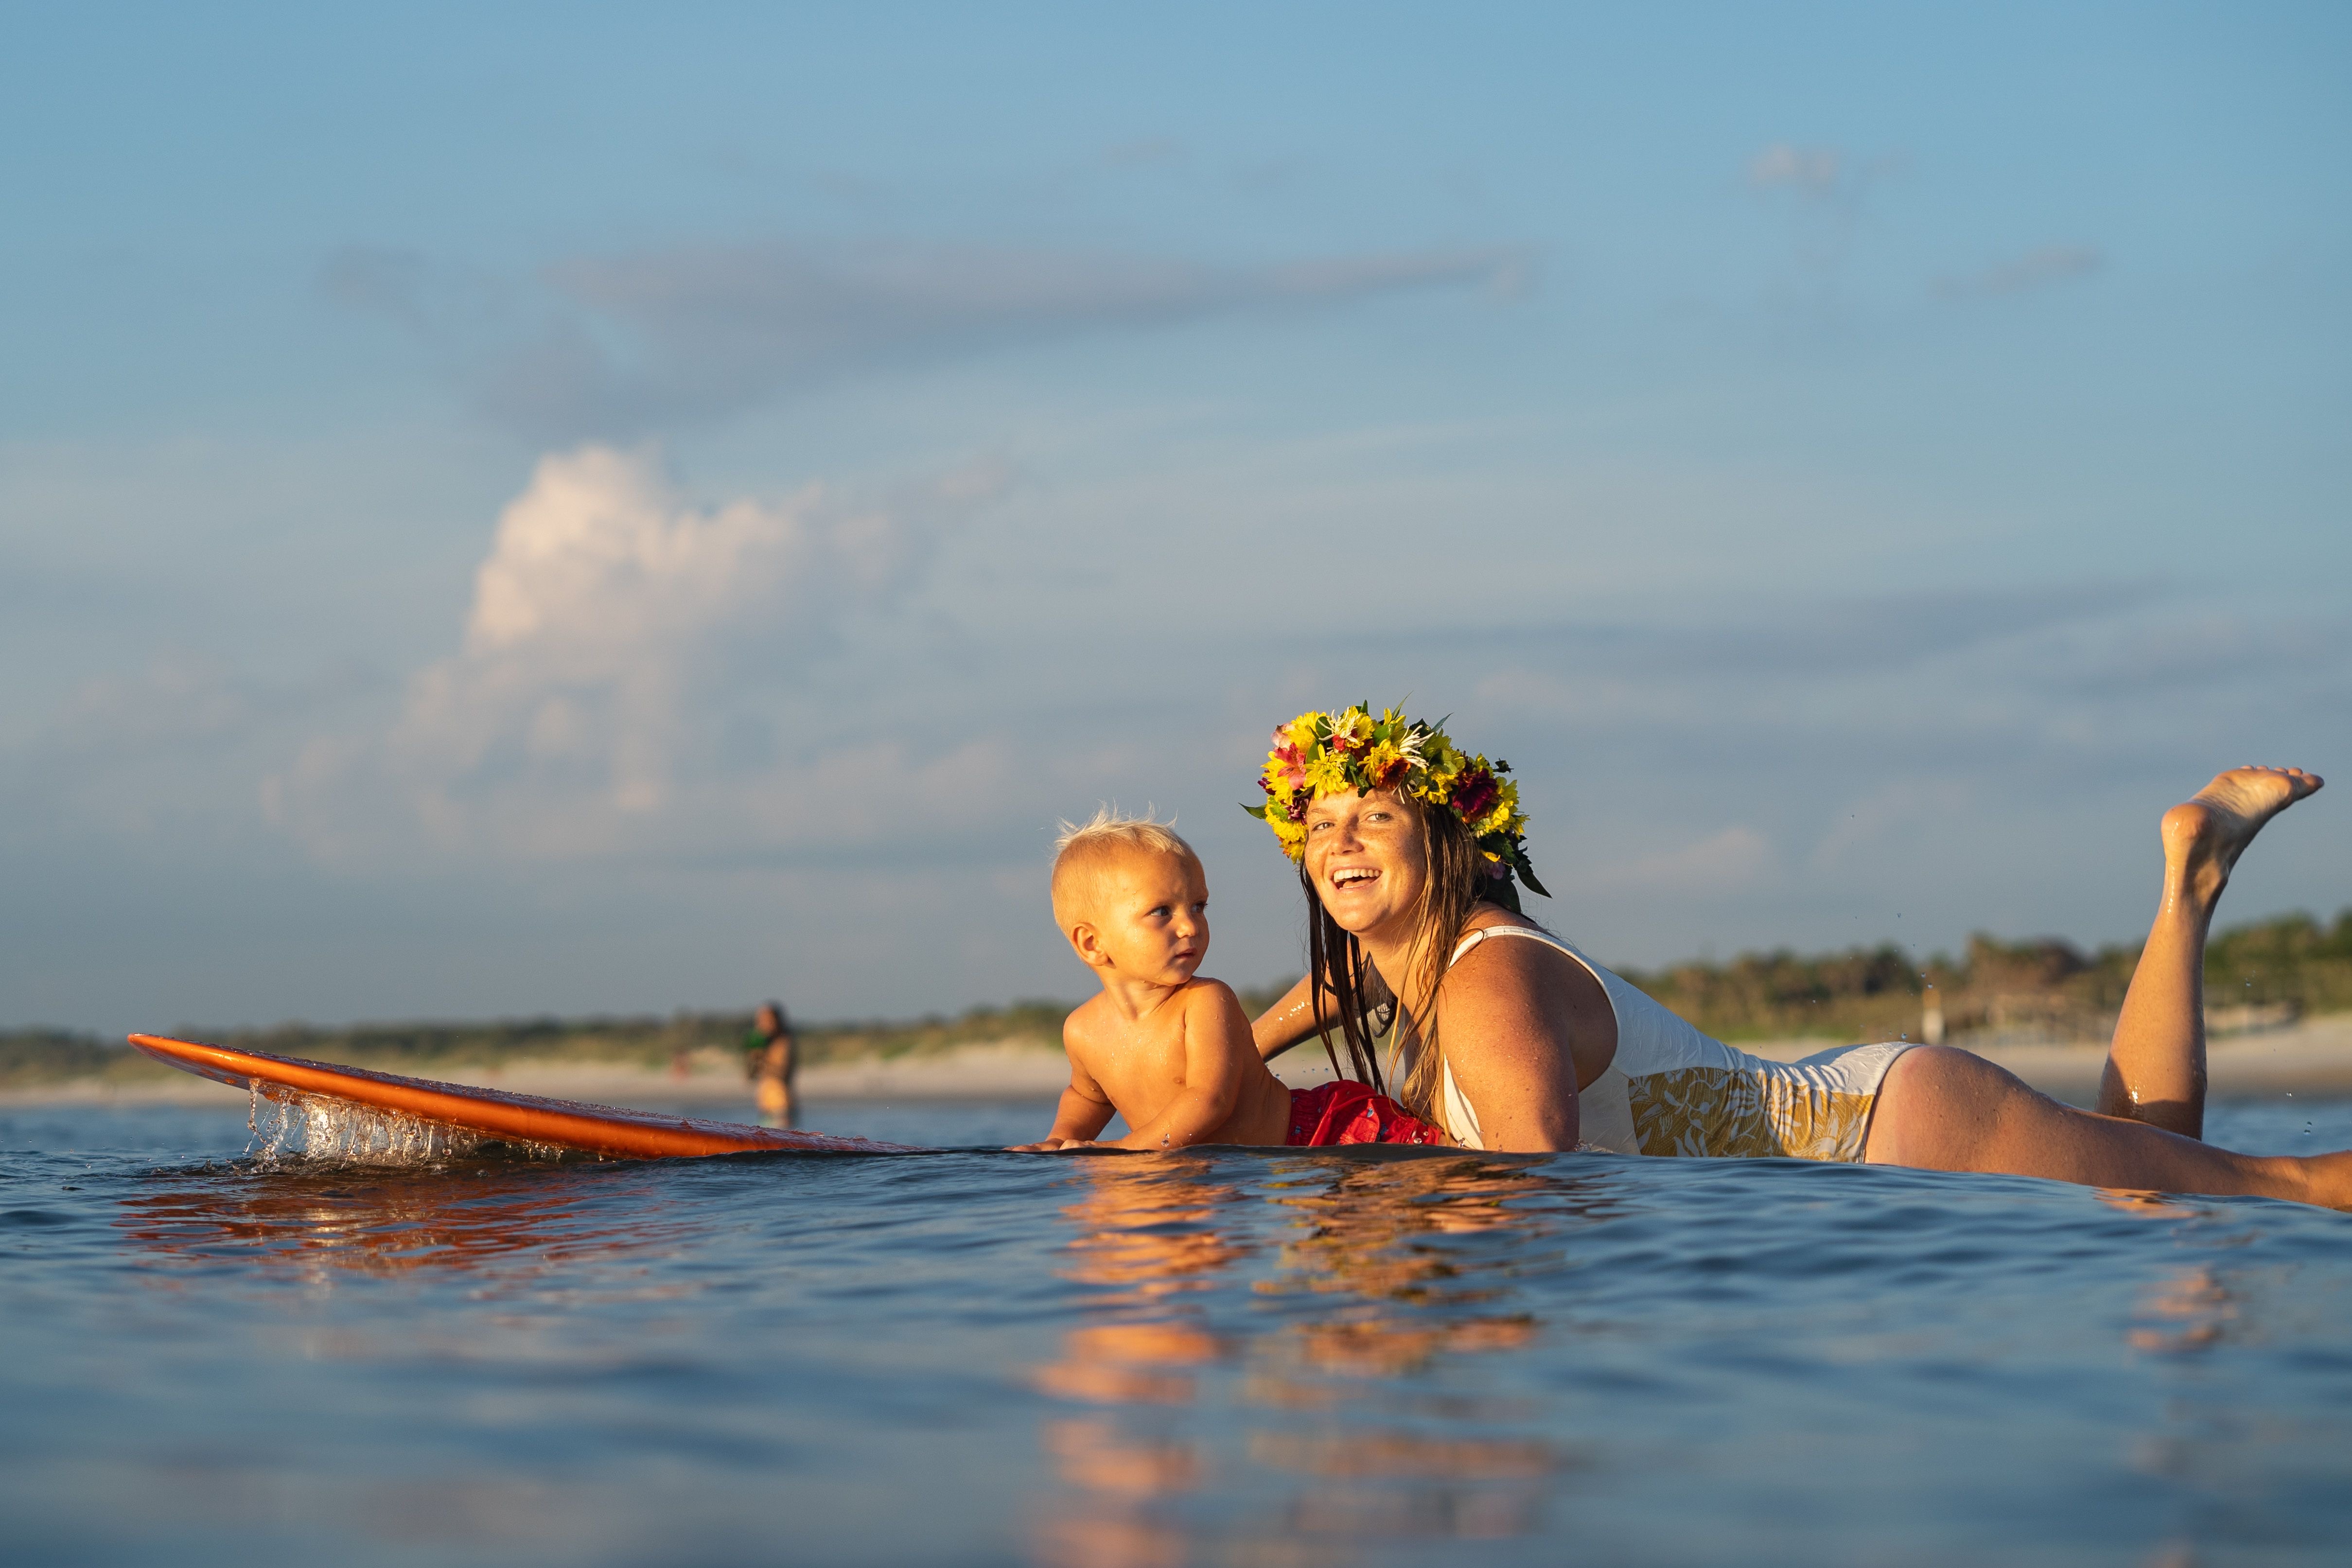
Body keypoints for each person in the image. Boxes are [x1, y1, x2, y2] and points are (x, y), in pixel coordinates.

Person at [1245, 703, 2352, 1208]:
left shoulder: (1488, 975)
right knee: (2162, 1177)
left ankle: (2190, 876)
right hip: (1882, 1138)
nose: (1339, 840)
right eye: (1321, 825)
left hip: (1897, 1129)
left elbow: (1537, 1180)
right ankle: (2191, 877)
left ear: (1447, 844)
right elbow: (1276, 1026)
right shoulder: (1421, 967)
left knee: (2282, 1185)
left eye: (1374, 817)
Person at [1012, 809, 1442, 1153]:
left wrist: (1127, 1151)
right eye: (1163, 911)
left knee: (1433, 1167)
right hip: (1232, 1168)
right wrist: (1061, 1139)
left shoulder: (1204, 1001)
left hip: (1321, 1133)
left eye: (1198, 906)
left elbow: (1208, 1100)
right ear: (1092, 944)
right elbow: (1088, 1096)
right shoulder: (1082, 1030)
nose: (1190, 926)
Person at [746, 1001, 798, 1126]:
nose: (762, 1025)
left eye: (767, 1020)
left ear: (777, 1022)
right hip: (765, 1107)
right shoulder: (764, 1045)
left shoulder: (783, 1042)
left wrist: (762, 1058)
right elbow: (750, 1076)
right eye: (760, 1021)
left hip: (781, 1108)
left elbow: (781, 1072)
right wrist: (752, 1055)